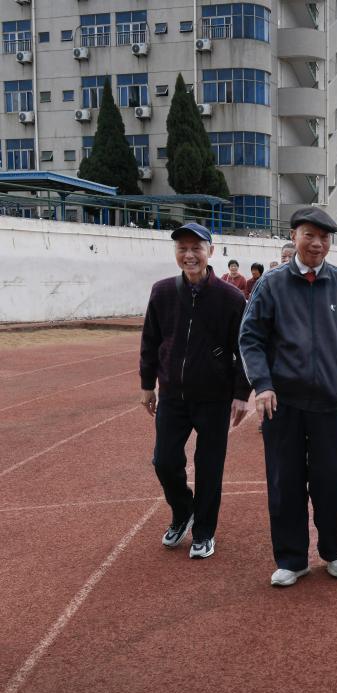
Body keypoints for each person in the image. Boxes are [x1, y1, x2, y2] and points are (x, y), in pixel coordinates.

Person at [239, 207, 337, 587]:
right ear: (294, 236)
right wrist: (263, 384)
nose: (317, 243)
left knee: (332, 482)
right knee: (285, 483)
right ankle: (292, 558)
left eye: (324, 237)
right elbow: (250, 338)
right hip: (284, 405)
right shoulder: (272, 284)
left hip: (330, 404)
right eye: (309, 235)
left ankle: (333, 550)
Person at [139, 223, 251, 560]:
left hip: (215, 396)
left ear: (210, 252)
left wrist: (241, 393)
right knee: (164, 461)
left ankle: (204, 531)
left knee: (209, 466)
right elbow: (150, 340)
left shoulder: (231, 298)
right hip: (172, 394)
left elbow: (245, 349)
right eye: (182, 249)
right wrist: (147, 384)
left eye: (196, 248)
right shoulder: (162, 292)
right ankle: (182, 510)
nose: (189, 255)